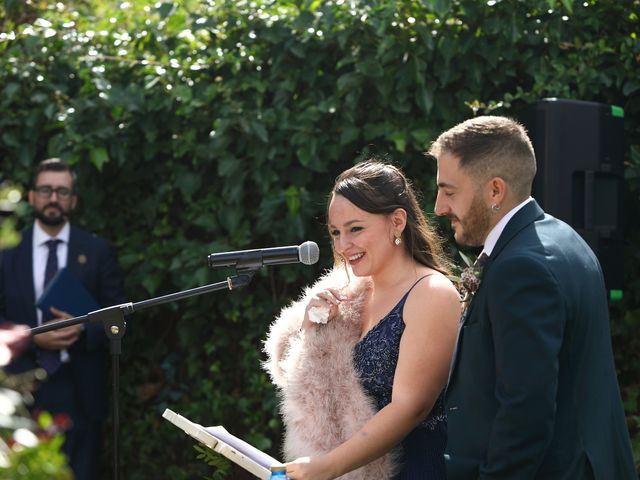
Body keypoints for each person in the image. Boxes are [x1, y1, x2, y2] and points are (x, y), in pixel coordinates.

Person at [429, 115, 637, 479]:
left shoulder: (521, 268)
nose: (439, 207)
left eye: (449, 191)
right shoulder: (564, 238)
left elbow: (525, 414)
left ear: (495, 190)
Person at [264, 161, 460, 480]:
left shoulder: (431, 293)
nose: (343, 246)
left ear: (397, 221)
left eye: (355, 229)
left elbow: (412, 407)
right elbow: (308, 386)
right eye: (336, 232)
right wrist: (311, 330)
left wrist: (329, 466)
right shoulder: (347, 293)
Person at [0, 158, 126, 480]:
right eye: (45, 190)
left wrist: (83, 328)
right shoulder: (7, 252)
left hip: (80, 390)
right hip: (20, 389)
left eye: (61, 191)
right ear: (31, 196)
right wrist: (30, 335)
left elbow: (121, 319)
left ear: (73, 199)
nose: (53, 198)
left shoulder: (98, 251)